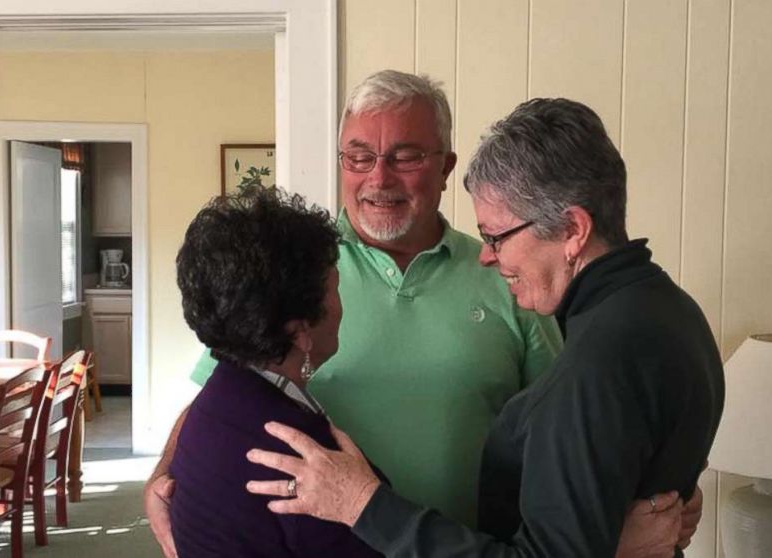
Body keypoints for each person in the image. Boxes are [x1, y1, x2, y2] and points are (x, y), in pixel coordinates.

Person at [146, 71, 701, 557]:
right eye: (359, 156)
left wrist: (633, 508)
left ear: (445, 168)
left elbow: (571, 431)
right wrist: (165, 474)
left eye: (405, 156)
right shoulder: (289, 273)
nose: (379, 178)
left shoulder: (518, 277)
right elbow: (224, 393)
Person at [166, 186, 386, 557]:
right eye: (335, 287)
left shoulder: (218, 400)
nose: (341, 305)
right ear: (301, 332)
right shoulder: (302, 459)